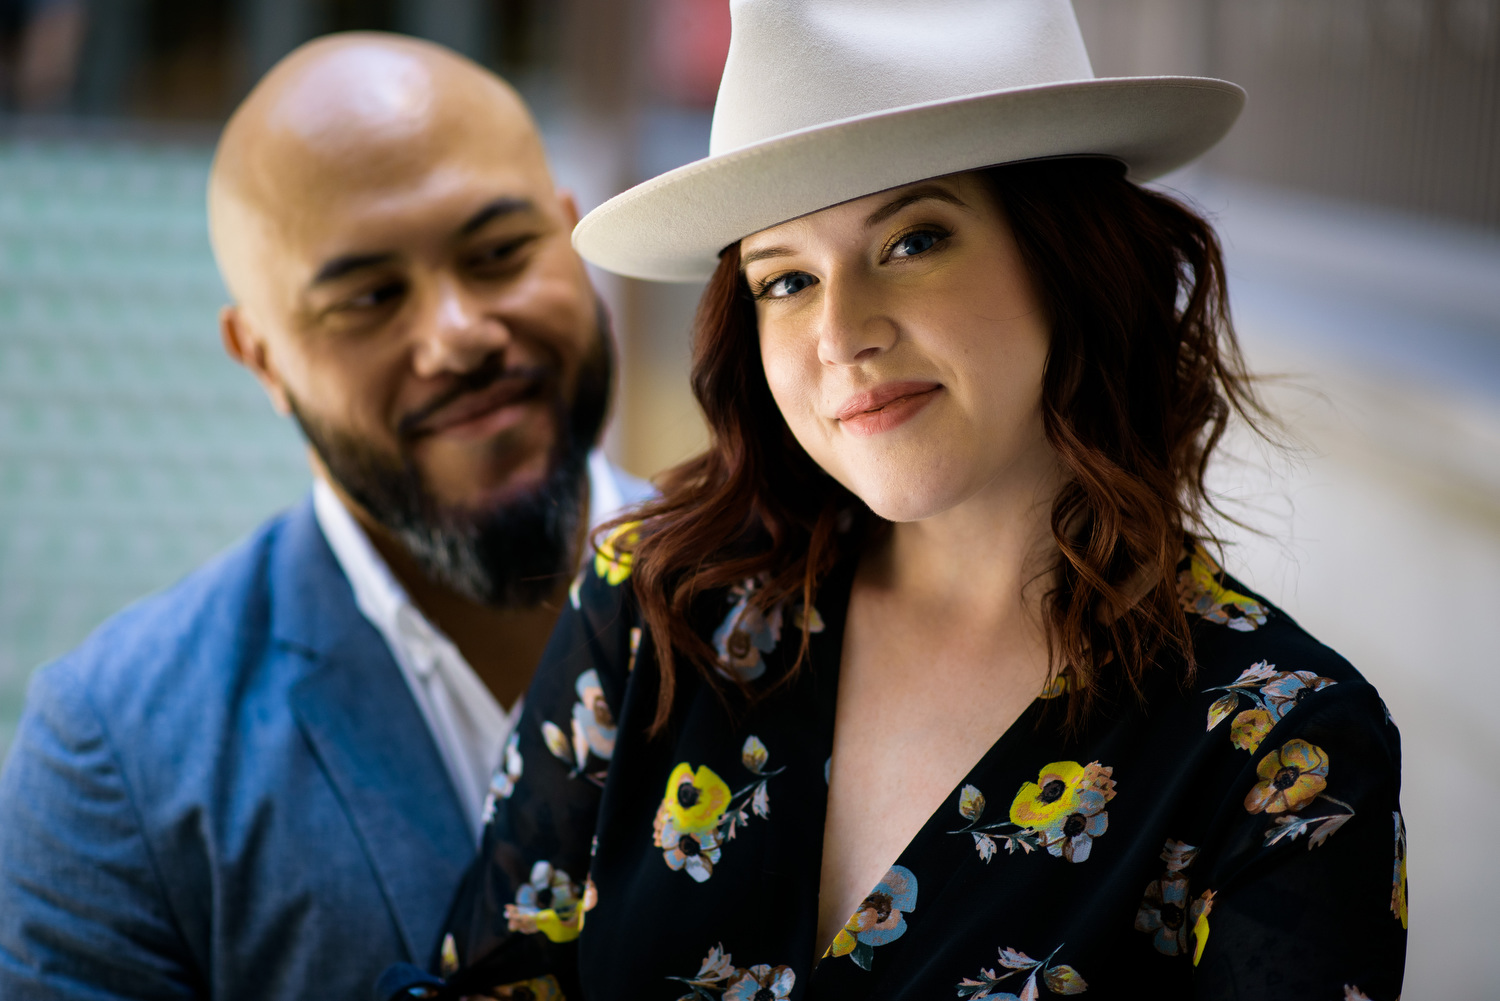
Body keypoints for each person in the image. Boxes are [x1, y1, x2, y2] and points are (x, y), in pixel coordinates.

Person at [388, 2, 1408, 999]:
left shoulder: (1284, 751)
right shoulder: (657, 608)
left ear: (1069, 254)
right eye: (783, 279)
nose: (839, 332)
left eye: (912, 240)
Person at [0, 32, 651, 1001]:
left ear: (572, 234)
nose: (457, 335)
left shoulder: (821, 597)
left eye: (501, 252)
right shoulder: (118, 757)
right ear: (259, 354)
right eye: (370, 296)